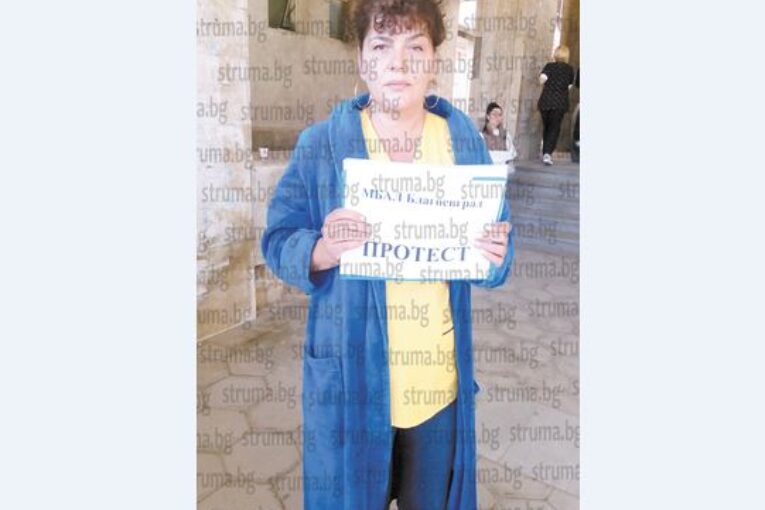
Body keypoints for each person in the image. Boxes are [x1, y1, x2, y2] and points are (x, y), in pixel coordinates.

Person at [261, 1, 514, 508]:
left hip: (437, 388)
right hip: (352, 386)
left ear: (433, 60)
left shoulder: (463, 141)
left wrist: (495, 257)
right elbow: (277, 239)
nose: (398, 63)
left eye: (415, 47)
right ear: (362, 61)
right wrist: (322, 249)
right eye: (381, 45)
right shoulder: (322, 145)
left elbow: (497, 251)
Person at [537, 45, 575, 165]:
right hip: (559, 103)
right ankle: (547, 153)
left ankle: (546, 152)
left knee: (547, 127)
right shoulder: (569, 69)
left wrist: (548, 82)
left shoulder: (549, 66)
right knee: (554, 128)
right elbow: (569, 87)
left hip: (546, 102)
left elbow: (542, 79)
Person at [480, 101, 517, 172]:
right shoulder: (481, 136)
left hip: (502, 170)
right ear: (488, 116)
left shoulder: (506, 135)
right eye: (494, 114)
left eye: (499, 115)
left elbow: (512, 154)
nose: (497, 117)